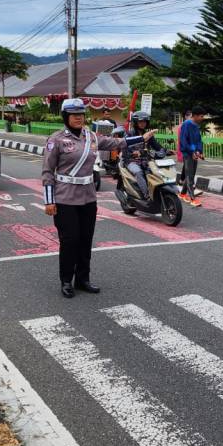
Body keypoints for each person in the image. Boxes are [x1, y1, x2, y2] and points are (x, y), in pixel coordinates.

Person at [43, 98, 155, 298]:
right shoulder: (56, 140)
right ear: (66, 117)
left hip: (88, 198)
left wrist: (142, 138)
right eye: (74, 115)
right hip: (65, 198)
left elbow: (116, 142)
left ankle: (83, 279)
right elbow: (48, 172)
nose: (78, 118)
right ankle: (66, 280)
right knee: (70, 240)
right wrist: (49, 200)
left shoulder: (92, 137)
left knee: (86, 239)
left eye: (81, 115)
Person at [125, 111, 165, 199]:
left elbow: (156, 145)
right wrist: (133, 153)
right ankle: (146, 195)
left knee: (156, 172)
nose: (143, 123)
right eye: (140, 122)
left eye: (145, 122)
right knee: (138, 172)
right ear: (136, 123)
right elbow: (126, 147)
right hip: (131, 161)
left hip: (146, 160)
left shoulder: (148, 134)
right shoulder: (130, 134)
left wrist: (165, 150)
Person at [179, 107, 205, 207]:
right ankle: (192, 198)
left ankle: (182, 194)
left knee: (191, 174)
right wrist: (191, 151)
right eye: (201, 116)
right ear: (195, 116)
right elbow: (183, 140)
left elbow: (199, 140)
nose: (202, 118)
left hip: (194, 153)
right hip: (188, 154)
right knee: (190, 176)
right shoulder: (187, 124)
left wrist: (199, 151)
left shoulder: (196, 125)